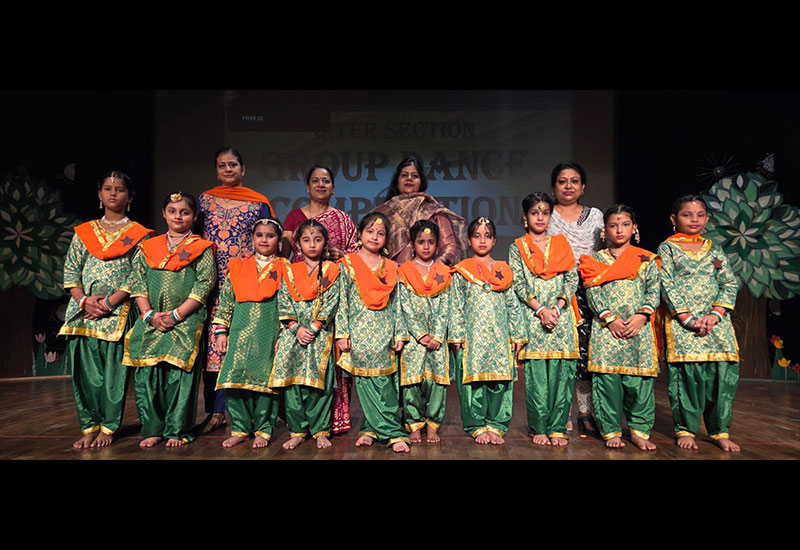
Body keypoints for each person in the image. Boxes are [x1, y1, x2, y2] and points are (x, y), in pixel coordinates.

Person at [59, 171, 153, 449]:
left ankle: (109, 427)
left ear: (130, 197)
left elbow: (138, 275)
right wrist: (83, 301)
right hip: (83, 311)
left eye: (120, 189)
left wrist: (109, 302)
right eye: (108, 188)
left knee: (113, 375)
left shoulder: (139, 235)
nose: (113, 193)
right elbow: (71, 271)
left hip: (117, 311)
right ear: (99, 195)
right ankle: (89, 426)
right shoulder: (84, 233)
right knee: (85, 375)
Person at [123, 192, 216, 447]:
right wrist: (149, 314)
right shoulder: (148, 246)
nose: (178, 216)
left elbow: (204, 284)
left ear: (194, 216)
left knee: (179, 376)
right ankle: (152, 428)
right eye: (172, 211)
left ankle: (177, 429)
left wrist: (176, 315)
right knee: (148, 375)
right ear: (164, 214)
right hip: (151, 318)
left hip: (185, 320)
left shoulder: (202, 248)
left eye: (185, 212)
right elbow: (137, 281)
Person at [197, 147, 275, 435]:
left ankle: (254, 413)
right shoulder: (205, 200)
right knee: (213, 348)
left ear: (243, 169)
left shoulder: (258, 203)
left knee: (246, 343)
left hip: (244, 282)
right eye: (222, 165)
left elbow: (269, 240)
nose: (228, 169)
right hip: (210, 281)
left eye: (233, 164)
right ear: (217, 171)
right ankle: (216, 411)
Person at [658, 195, 741, 452]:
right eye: (687, 214)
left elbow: (728, 282)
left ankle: (720, 430)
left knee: (721, 377)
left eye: (700, 215)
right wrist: (688, 319)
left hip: (717, 324)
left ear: (706, 219)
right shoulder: (668, 248)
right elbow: (666, 284)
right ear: (674, 219)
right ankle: (686, 429)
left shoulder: (714, 250)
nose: (694, 219)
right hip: (684, 324)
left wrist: (715, 314)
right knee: (688, 378)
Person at [282, 165, 357, 435]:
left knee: (331, 361)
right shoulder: (294, 216)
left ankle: (331, 420)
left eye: (326, 181)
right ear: (307, 186)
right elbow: (285, 254)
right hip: (299, 293)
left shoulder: (343, 219)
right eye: (315, 181)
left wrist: (339, 255)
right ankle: (299, 423)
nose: (321, 185)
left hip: (331, 290)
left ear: (333, 188)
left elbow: (355, 256)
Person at [578, 204, 661, 451]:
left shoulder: (646, 259)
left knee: (639, 382)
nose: (619, 230)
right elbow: (593, 293)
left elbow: (653, 290)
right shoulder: (594, 261)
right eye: (613, 225)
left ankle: (639, 430)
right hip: (607, 328)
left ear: (634, 228)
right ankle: (610, 430)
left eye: (625, 224)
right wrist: (610, 319)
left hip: (638, 327)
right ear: (605, 230)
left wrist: (641, 316)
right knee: (607, 381)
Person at [335, 213, 411, 453]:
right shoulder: (347, 264)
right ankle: (386, 431)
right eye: (370, 231)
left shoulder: (391, 267)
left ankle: (379, 429)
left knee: (386, 384)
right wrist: (342, 332)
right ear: (360, 234)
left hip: (385, 332)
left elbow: (398, 303)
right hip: (358, 332)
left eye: (380, 233)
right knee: (365, 383)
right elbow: (342, 301)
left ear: (387, 238)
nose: (374, 237)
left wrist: (399, 333)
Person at [509, 193, 580, 447]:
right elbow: (518, 283)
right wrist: (541, 310)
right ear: (525, 217)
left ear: (550, 216)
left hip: (561, 317)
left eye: (545, 212)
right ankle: (538, 427)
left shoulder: (561, 243)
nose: (540, 217)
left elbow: (572, 278)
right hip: (533, 318)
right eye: (534, 212)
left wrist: (557, 308)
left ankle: (558, 427)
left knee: (563, 375)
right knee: (537, 378)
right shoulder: (517, 247)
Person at [211, 217, 287, 448]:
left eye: (270, 236)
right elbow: (226, 301)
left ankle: (264, 429)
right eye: (259, 235)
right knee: (234, 379)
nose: (264, 240)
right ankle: (240, 428)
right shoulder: (238, 266)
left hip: (269, 331)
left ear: (279, 240)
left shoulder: (285, 268)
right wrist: (221, 332)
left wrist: (284, 333)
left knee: (265, 382)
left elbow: (290, 304)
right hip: (239, 332)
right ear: (252, 238)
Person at [450, 217, 527, 445]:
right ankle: (476, 425)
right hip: (472, 339)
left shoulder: (503, 270)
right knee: (473, 384)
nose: (482, 240)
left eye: (487, 236)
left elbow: (513, 305)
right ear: (468, 240)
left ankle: (496, 424)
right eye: (477, 236)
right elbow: (456, 305)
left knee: (500, 382)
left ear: (494, 241)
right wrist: (457, 336)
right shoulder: (463, 271)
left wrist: (518, 335)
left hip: (500, 338)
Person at [270, 219, 340, 450]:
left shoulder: (331, 270)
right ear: (298, 244)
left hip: (320, 335)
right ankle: (297, 430)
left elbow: (331, 302)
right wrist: (296, 328)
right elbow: (283, 301)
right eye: (306, 240)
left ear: (325, 243)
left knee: (319, 385)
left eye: (317, 240)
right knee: (293, 385)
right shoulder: (290, 271)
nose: (312, 244)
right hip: (293, 335)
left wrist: (313, 328)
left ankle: (320, 430)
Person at [546, 160, 604, 436]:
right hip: (555, 290)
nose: (568, 186)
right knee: (559, 354)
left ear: (583, 187)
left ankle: (585, 411)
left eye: (574, 181)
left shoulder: (595, 216)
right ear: (553, 187)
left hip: (589, 290)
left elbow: (606, 249)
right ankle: (560, 411)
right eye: (562, 181)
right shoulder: (544, 214)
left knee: (585, 353)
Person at [397, 220, 453, 443]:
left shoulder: (443, 272)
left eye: (431, 242)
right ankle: (414, 424)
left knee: (437, 382)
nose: (426, 246)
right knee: (412, 382)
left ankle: (432, 425)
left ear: (437, 244)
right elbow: (404, 307)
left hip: (437, 340)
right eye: (421, 242)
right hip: (414, 339)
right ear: (412, 244)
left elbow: (445, 306)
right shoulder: (405, 272)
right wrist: (421, 335)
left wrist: (437, 335)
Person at [369, 156, 467, 266]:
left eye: (414, 176)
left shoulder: (434, 211)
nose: (409, 178)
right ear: (397, 180)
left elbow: (449, 246)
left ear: (421, 181)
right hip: (391, 272)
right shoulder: (384, 212)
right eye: (404, 175)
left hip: (428, 273)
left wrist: (438, 263)